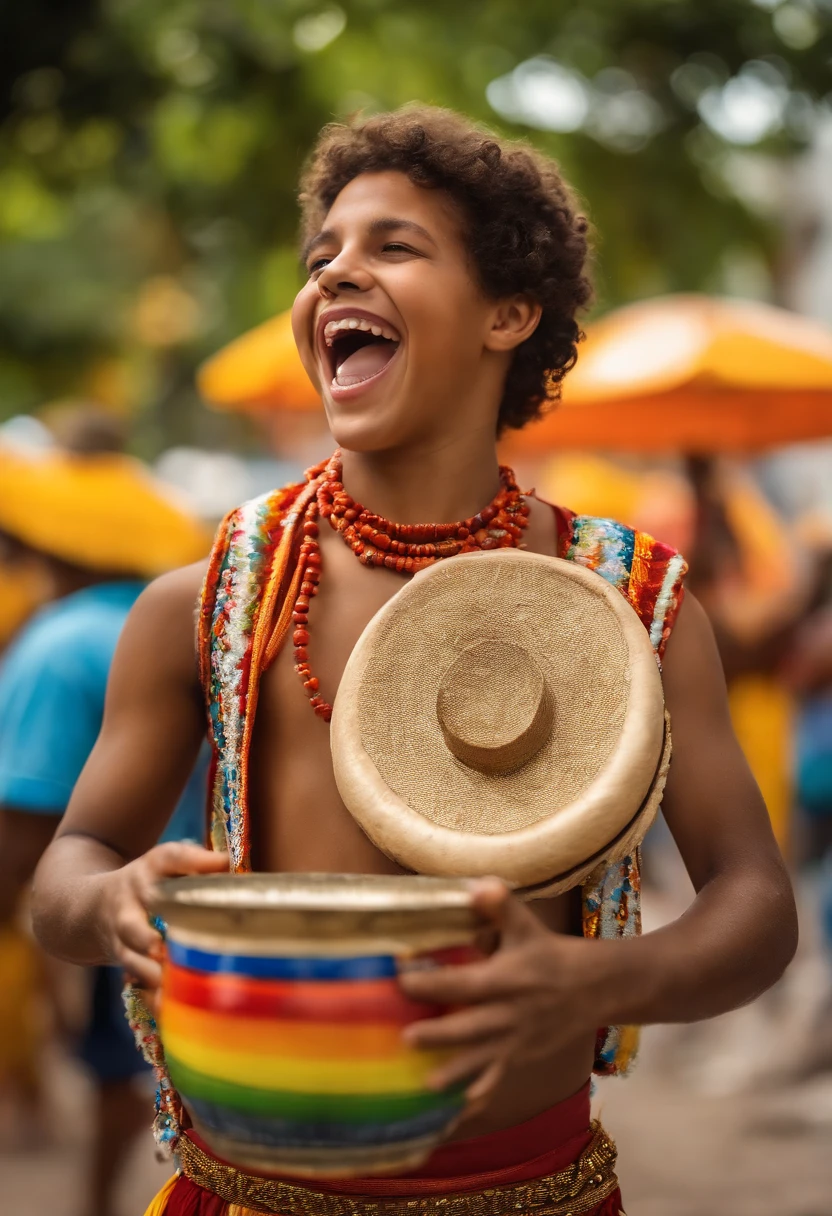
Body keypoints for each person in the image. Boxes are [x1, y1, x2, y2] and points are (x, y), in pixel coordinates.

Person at [31, 107, 796, 1215]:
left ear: (509, 313)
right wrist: (113, 900)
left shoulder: (632, 606)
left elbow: (755, 902)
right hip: (246, 1192)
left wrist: (597, 977)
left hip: (532, 1191)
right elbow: (68, 865)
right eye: (322, 255)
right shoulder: (205, 604)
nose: (338, 271)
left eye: (393, 245)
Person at [0, 441, 209, 1216]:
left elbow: (26, 817)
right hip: (203, 899)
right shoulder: (189, 609)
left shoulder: (57, 645)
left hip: (119, 903)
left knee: (116, 1068)